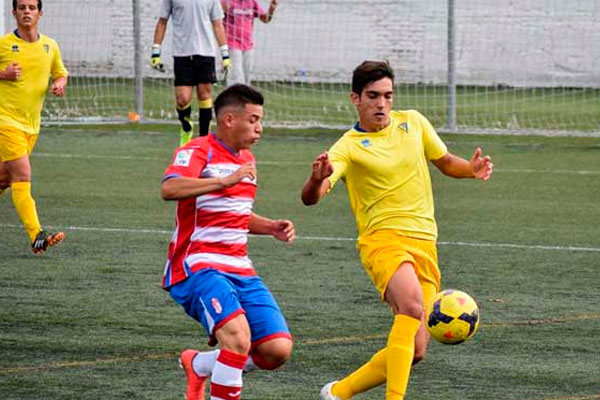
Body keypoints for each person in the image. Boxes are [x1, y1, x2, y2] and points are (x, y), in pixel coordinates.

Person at [301, 61, 493, 400]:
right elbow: (311, 198)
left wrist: (470, 169)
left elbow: (445, 160)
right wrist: (316, 179)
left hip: (424, 242)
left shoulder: (414, 122)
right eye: (373, 96)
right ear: (355, 98)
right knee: (412, 306)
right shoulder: (346, 146)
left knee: (416, 350)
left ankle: (338, 392)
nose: (381, 103)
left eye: (388, 96)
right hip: (382, 241)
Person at [161, 84, 295, 400]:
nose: (260, 127)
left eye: (261, 120)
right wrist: (224, 180)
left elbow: (235, 215)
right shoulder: (197, 150)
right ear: (230, 120)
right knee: (237, 340)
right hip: (198, 264)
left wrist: (270, 226)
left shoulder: (247, 159)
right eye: (254, 119)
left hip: (240, 268)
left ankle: (199, 364)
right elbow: (170, 188)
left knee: (277, 350)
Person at [0, 0, 68, 255]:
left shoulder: (50, 46)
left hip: (31, 126)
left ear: (40, 13)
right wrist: (3, 74)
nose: (26, 11)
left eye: (31, 7)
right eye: (21, 7)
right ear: (14, 12)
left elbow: (60, 72)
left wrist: (60, 83)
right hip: (5, 121)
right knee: (22, 175)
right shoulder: (4, 45)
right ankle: (36, 236)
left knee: (5, 178)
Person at [151, 0, 232, 146]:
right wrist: (156, 51)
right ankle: (186, 127)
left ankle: (204, 139)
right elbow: (162, 21)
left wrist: (225, 54)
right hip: (182, 53)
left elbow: (217, 24)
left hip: (205, 53)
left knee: (204, 95)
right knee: (182, 99)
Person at [220, 0, 279, 86]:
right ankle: (235, 97)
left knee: (247, 76)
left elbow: (265, 19)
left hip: (248, 45)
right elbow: (215, 17)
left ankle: (245, 98)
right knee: (236, 75)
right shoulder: (226, 1)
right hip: (232, 43)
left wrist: (271, 9)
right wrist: (222, 9)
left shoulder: (252, 2)